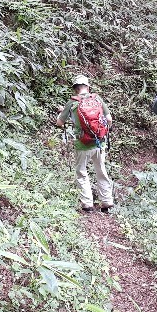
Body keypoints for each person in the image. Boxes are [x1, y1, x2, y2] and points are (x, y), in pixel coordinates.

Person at [56, 75, 114, 213]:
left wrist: (64, 114)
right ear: (87, 87)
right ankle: (107, 202)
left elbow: (59, 123)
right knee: (101, 170)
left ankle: (87, 204)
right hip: (99, 142)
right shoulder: (97, 99)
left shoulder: (72, 103)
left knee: (81, 172)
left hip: (82, 144)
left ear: (76, 89)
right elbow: (109, 119)